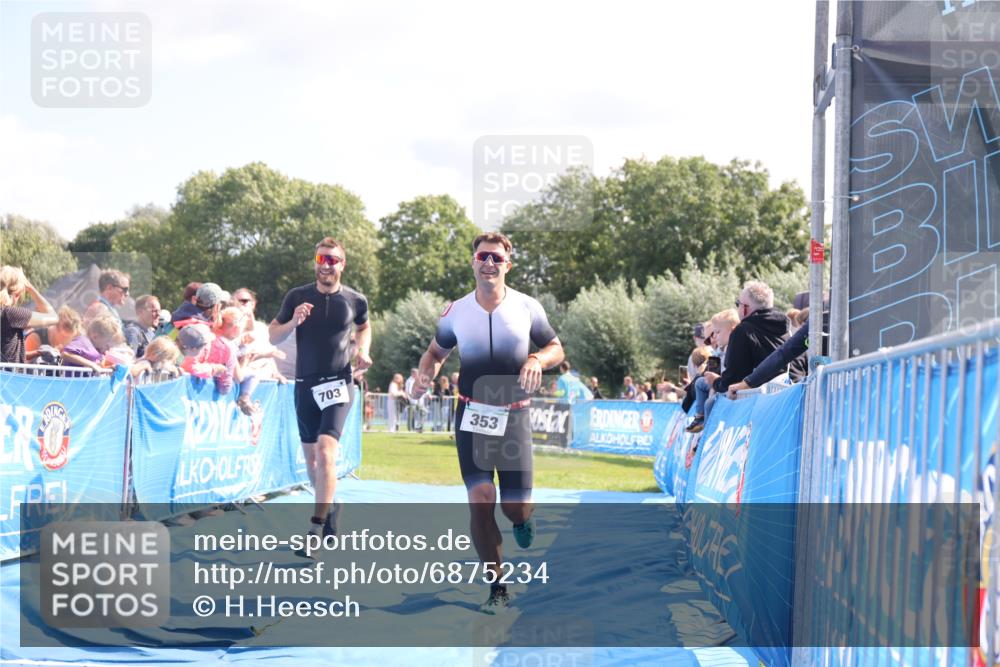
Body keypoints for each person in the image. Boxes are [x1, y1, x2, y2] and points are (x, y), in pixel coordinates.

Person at [412, 231, 564, 614]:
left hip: (514, 415)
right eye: (483, 256)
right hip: (473, 414)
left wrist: (535, 361)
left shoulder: (528, 307)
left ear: (508, 265)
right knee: (481, 499)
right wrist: (424, 374)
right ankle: (497, 586)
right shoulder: (456, 311)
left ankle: (522, 519)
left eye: (497, 258)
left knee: (514, 509)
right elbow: (435, 353)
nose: (489, 263)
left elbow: (555, 348)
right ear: (473, 261)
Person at [269, 237, 372, 556]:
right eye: (321, 258)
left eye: (333, 260)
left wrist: (363, 350)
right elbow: (274, 334)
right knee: (313, 462)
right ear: (315, 261)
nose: (326, 264)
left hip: (339, 383)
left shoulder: (355, 299)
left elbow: (364, 327)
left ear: (343, 264)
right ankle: (332, 506)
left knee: (327, 452)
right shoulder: (297, 296)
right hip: (305, 384)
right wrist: (293, 320)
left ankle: (315, 528)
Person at [1, 267, 58, 364]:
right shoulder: (11, 314)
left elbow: (7, 352)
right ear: (17, 294)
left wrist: (36, 353)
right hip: (9, 378)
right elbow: (54, 317)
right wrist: (30, 288)